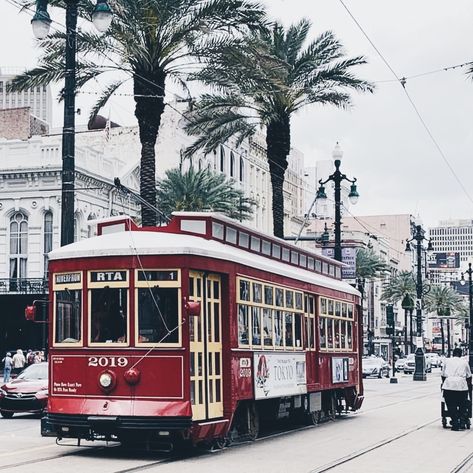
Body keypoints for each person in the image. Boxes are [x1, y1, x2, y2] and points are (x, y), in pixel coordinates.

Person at [442, 347, 472, 431]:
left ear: (453, 354)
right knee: (462, 404)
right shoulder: (464, 362)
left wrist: (443, 384)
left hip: (449, 385)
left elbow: (443, 375)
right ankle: (462, 420)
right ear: (461, 354)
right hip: (461, 386)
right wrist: (469, 385)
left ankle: (455, 421)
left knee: (451, 405)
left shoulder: (447, 361)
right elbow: (469, 376)